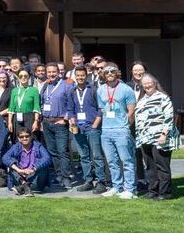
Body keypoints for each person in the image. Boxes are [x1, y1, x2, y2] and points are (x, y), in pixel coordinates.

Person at [96, 64, 137, 199]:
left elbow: (131, 112)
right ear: (103, 74)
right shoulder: (101, 90)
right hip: (106, 130)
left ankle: (130, 189)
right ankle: (116, 186)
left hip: (121, 130)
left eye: (112, 71)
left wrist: (125, 127)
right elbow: (103, 110)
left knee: (126, 160)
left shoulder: (126, 89)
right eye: (106, 72)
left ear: (117, 72)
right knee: (112, 161)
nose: (109, 73)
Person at [133, 73, 178, 200]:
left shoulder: (163, 98)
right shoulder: (142, 101)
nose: (147, 85)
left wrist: (164, 134)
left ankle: (165, 193)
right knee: (150, 167)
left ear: (154, 83)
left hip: (160, 138)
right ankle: (153, 191)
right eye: (144, 83)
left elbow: (169, 117)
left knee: (162, 166)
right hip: (145, 138)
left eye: (149, 83)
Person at [67, 66, 106, 194]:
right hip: (78, 128)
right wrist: (72, 122)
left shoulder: (94, 90)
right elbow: (70, 110)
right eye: (77, 75)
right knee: (83, 156)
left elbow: (101, 108)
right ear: (75, 77)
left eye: (82, 75)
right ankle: (88, 180)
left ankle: (101, 182)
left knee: (97, 155)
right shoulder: (72, 91)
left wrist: (96, 123)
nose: (80, 78)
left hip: (92, 127)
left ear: (86, 76)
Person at [39, 62, 74, 188]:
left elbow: (72, 104)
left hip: (60, 123)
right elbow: (42, 103)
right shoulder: (45, 86)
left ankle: (66, 177)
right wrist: (42, 121)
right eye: (49, 72)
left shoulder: (67, 86)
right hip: (47, 123)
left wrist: (65, 119)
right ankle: (58, 175)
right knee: (52, 151)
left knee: (62, 151)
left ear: (58, 72)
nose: (52, 74)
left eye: (54, 72)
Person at [3, 127, 52, 196]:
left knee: (43, 166)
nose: (24, 138)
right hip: (20, 177)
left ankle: (22, 188)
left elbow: (48, 158)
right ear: (19, 138)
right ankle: (24, 186)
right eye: (22, 137)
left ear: (31, 136)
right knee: (11, 164)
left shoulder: (38, 146)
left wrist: (33, 169)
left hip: (35, 178)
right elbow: (5, 158)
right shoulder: (16, 146)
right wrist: (19, 170)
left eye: (27, 136)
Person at [7, 70, 40, 141]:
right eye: (21, 76)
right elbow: (11, 108)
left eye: (25, 76)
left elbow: (36, 107)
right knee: (18, 138)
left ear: (29, 77)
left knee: (29, 138)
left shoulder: (34, 90)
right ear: (18, 78)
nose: (23, 78)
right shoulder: (14, 90)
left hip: (29, 117)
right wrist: (10, 122)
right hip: (17, 117)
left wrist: (36, 121)